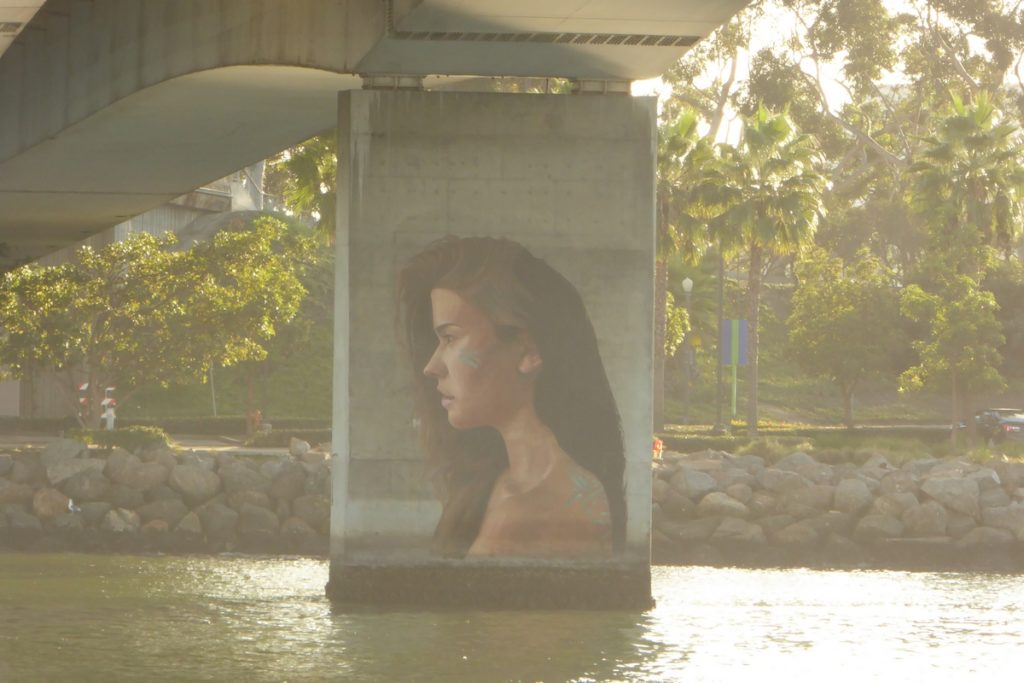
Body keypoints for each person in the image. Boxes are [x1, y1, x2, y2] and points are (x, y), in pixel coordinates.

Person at [398, 236, 626, 559]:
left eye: (450, 338)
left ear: (529, 350)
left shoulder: (546, 507)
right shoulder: (501, 485)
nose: (431, 367)